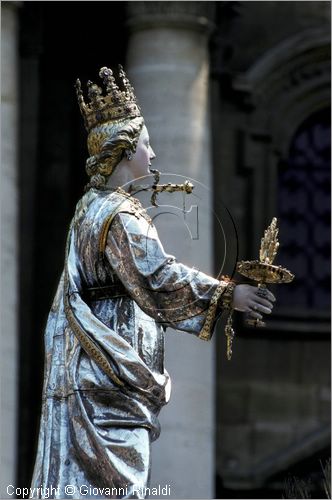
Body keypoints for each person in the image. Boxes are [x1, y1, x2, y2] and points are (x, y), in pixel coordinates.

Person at [30, 66, 275, 499]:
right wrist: (226, 294)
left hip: (95, 371)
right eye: (145, 144)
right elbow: (159, 277)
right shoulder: (121, 215)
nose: (154, 154)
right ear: (123, 151)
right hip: (111, 374)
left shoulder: (89, 209)